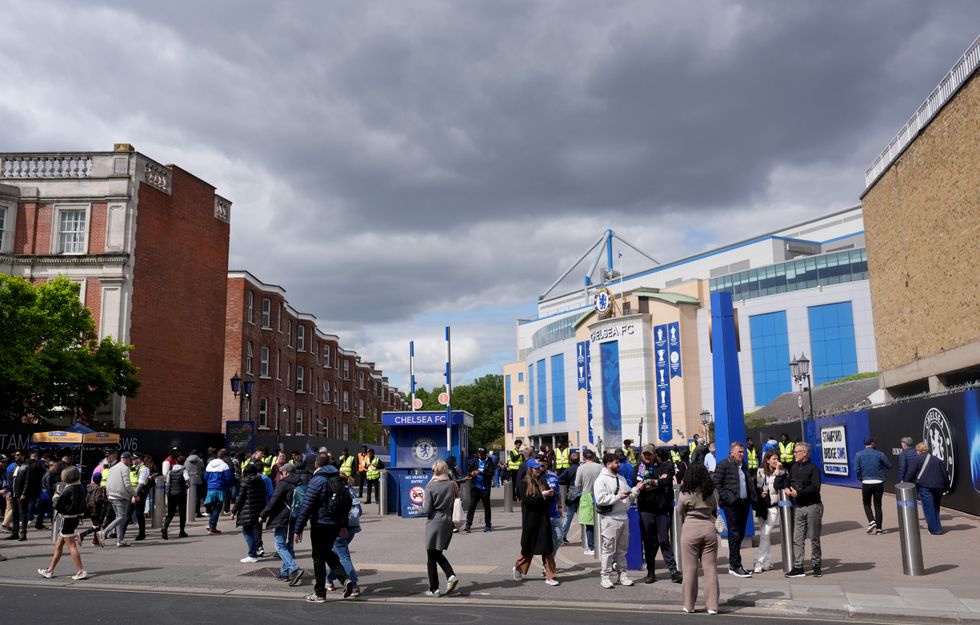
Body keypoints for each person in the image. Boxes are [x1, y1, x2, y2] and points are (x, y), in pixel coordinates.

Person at [294, 452, 354, 602]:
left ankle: (320, 593)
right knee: (327, 552)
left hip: (320, 524)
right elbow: (346, 503)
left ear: (316, 464)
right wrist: (343, 524)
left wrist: (298, 529)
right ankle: (344, 579)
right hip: (335, 524)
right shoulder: (338, 478)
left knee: (318, 557)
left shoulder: (317, 480)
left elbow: (307, 506)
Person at [594, 452, 641, 588]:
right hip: (610, 518)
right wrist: (617, 497)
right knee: (608, 550)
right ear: (609, 464)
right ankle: (605, 577)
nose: (619, 464)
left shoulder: (621, 478)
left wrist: (636, 490)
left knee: (622, 549)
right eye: (616, 462)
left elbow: (628, 496)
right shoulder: (601, 480)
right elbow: (600, 499)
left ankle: (622, 575)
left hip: (623, 517)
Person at [636, 446, 682, 584]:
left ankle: (673, 570)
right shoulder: (638, 468)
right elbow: (637, 484)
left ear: (654, 454)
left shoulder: (664, 466)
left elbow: (666, 481)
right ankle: (651, 571)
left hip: (661, 510)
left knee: (664, 540)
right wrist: (657, 482)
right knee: (649, 543)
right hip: (646, 510)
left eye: (649, 454)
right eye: (645, 454)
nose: (647, 456)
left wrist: (649, 482)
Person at [679, 463, 720, 615]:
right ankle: (712, 606)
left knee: (690, 569)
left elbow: (679, 510)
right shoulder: (712, 491)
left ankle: (689, 605)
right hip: (709, 528)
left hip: (690, 529)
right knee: (710, 568)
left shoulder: (685, 492)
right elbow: (715, 506)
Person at [712, 441, 757, 578]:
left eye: (743, 452)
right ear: (732, 452)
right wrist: (727, 498)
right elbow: (716, 483)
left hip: (744, 503)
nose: (742, 454)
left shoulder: (743, 465)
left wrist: (753, 498)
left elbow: (748, 483)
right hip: (732, 504)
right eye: (739, 452)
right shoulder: (724, 464)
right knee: (735, 534)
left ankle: (734, 563)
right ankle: (736, 565)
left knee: (740, 534)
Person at [512, 458, 560, 586]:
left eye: (539, 467)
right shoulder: (523, 483)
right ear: (530, 469)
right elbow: (527, 501)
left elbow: (548, 499)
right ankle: (518, 567)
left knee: (547, 549)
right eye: (536, 468)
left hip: (544, 518)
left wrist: (549, 495)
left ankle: (550, 576)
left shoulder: (543, 480)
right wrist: (542, 495)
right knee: (529, 549)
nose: (539, 470)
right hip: (531, 520)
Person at [37, 466, 89, 580]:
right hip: (74, 518)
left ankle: (81, 571)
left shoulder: (68, 489)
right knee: (59, 545)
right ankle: (50, 570)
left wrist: (55, 497)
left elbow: (58, 505)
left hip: (67, 519)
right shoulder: (80, 487)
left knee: (71, 546)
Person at [780, 442, 822, 577]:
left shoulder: (813, 468)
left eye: (797, 452)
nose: (794, 454)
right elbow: (788, 480)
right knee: (797, 538)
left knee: (814, 537)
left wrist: (799, 493)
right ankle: (798, 567)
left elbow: (815, 487)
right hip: (798, 507)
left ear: (804, 453)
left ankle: (816, 565)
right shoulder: (793, 467)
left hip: (813, 506)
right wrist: (786, 488)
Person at [259, 462, 304, 585]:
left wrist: (263, 515)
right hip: (294, 517)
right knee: (288, 546)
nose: (280, 475)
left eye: (281, 472)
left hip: (282, 518)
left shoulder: (283, 483)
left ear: (286, 472)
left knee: (279, 546)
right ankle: (284, 573)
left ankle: (295, 569)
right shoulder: (299, 482)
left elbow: (274, 500)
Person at [421, 459, 460, 597]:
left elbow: (427, 509)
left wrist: (418, 508)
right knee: (435, 554)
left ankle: (449, 576)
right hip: (448, 521)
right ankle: (435, 587)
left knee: (432, 553)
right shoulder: (452, 484)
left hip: (435, 521)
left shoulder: (430, 486)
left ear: (435, 471)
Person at [901, 441, 949, 535]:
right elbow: (945, 473)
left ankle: (935, 529)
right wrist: (947, 486)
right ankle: (936, 526)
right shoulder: (937, 459)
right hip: (939, 486)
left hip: (925, 486)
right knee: (935, 507)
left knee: (929, 508)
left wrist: (906, 482)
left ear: (918, 451)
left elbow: (910, 473)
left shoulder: (916, 459)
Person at [326, 478, 362, 597]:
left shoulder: (336, 493)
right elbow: (359, 510)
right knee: (336, 555)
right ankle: (328, 580)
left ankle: (354, 586)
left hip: (339, 529)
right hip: (352, 528)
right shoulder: (351, 491)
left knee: (344, 557)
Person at [752, 450, 786, 573]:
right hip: (762, 506)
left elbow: (778, 486)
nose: (776, 461)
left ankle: (758, 561)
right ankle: (768, 562)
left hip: (773, 507)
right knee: (765, 536)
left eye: (777, 459)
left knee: (765, 534)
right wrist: (760, 493)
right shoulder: (760, 472)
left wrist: (778, 471)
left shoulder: (781, 472)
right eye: (774, 459)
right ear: (767, 460)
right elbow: (756, 487)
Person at [99, 451, 136, 547]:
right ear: (127, 459)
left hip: (112, 495)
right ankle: (103, 532)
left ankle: (120, 540)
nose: (130, 462)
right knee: (122, 517)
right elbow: (127, 484)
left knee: (118, 517)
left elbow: (108, 482)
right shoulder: (125, 468)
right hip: (120, 496)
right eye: (130, 460)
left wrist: (108, 494)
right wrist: (135, 494)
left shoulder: (113, 467)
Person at [855, 438, 891, 535]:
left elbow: (857, 469)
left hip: (866, 482)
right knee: (878, 505)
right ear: (872, 443)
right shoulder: (880, 454)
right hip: (879, 482)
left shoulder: (859, 454)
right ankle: (879, 529)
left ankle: (871, 521)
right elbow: (889, 465)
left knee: (866, 503)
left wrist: (861, 478)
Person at [233, 462, 266, 563]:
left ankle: (252, 554)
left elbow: (240, 498)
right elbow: (264, 495)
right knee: (256, 530)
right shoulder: (261, 480)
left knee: (247, 531)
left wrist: (234, 511)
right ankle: (256, 550)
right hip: (258, 509)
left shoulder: (245, 482)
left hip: (247, 510)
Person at [574, 449, 602, 555]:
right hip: (599, 494)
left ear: (584, 457)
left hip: (587, 495)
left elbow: (577, 484)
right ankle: (600, 545)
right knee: (600, 521)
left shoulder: (581, 468)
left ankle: (591, 547)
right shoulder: (600, 467)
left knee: (588, 523)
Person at [464, 447, 495, 533]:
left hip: (485, 488)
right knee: (471, 506)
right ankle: (468, 524)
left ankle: (488, 525)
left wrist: (480, 472)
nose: (480, 455)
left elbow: (491, 473)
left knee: (486, 507)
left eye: (481, 454)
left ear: (485, 454)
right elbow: (468, 471)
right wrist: (471, 473)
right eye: (479, 454)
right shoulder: (475, 461)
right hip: (475, 487)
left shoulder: (490, 462)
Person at [204, 449, 233, 536]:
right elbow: (228, 478)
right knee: (217, 508)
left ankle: (210, 524)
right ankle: (212, 527)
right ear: (225, 456)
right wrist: (228, 486)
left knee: (213, 507)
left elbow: (205, 477)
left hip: (210, 488)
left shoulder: (210, 464)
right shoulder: (224, 465)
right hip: (220, 488)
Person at [162, 455, 188, 540]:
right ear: (183, 462)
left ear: (176, 462)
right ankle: (182, 531)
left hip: (171, 494)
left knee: (170, 512)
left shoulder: (170, 472)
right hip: (181, 494)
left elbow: (167, 483)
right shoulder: (183, 470)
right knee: (182, 512)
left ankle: (165, 527)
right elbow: (187, 479)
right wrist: (187, 485)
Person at [557, 451, 580, 543]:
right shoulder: (581, 468)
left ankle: (562, 536)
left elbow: (560, 479)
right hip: (582, 492)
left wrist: (567, 482)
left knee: (569, 516)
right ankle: (586, 537)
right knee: (584, 516)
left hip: (572, 492)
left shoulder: (569, 470)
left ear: (570, 461)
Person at [129, 454, 153, 541]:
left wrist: (135, 495)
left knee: (139, 513)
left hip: (139, 493)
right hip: (131, 492)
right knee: (128, 513)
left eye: (134, 458)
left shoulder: (144, 469)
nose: (132, 460)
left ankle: (141, 534)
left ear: (139, 459)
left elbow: (141, 483)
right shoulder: (132, 467)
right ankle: (121, 533)